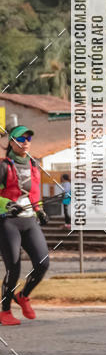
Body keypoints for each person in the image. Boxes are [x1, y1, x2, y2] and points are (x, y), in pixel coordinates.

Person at [0, 125, 50, 326]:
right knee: (14, 268)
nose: (26, 142)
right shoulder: (3, 166)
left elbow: (35, 193)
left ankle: (23, 296)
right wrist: (7, 204)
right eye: (21, 138)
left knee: (43, 263)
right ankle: (4, 310)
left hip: (29, 220)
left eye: (29, 138)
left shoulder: (33, 164)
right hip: (8, 222)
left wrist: (40, 211)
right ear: (11, 142)